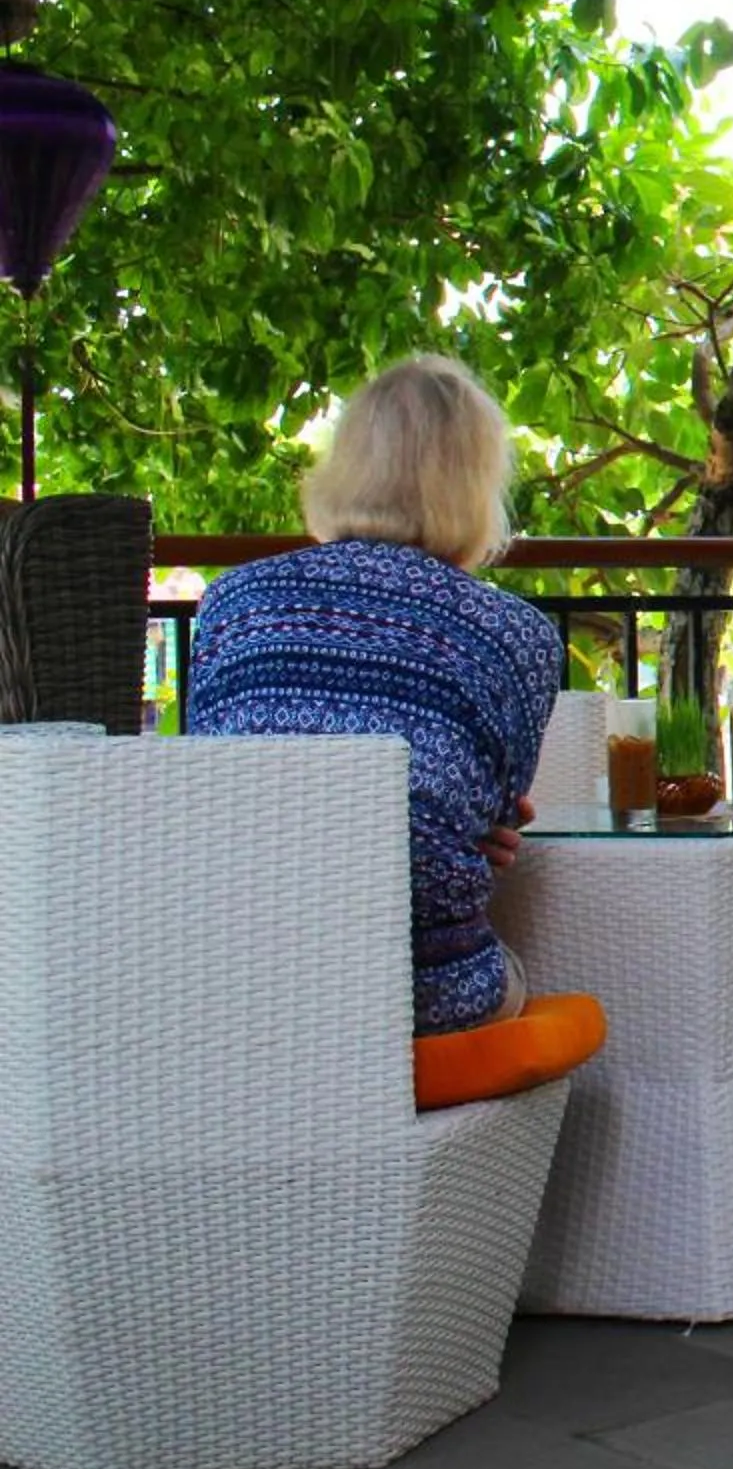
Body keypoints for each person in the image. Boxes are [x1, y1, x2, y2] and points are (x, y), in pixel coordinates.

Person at [188, 357, 561, 1034]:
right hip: (419, 998)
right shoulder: (514, 636)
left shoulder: (231, 602)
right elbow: (490, 830)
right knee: (529, 968)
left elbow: (210, 780)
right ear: (478, 484)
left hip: (227, 984)